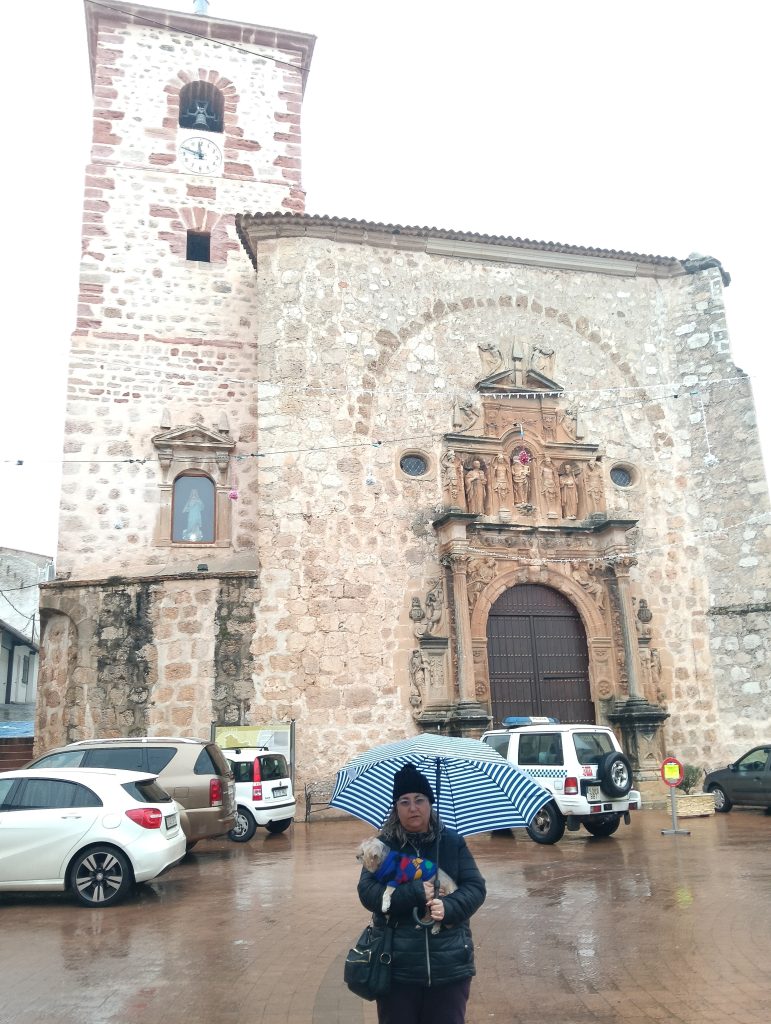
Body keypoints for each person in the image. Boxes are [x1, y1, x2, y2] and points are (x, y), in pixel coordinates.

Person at [357, 764, 486, 1024]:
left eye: (419, 800)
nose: (413, 808)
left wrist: (449, 907)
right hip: (396, 967)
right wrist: (415, 892)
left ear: (430, 803)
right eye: (404, 801)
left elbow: (475, 887)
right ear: (396, 808)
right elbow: (368, 892)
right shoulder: (383, 847)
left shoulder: (451, 842)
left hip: (448, 966)